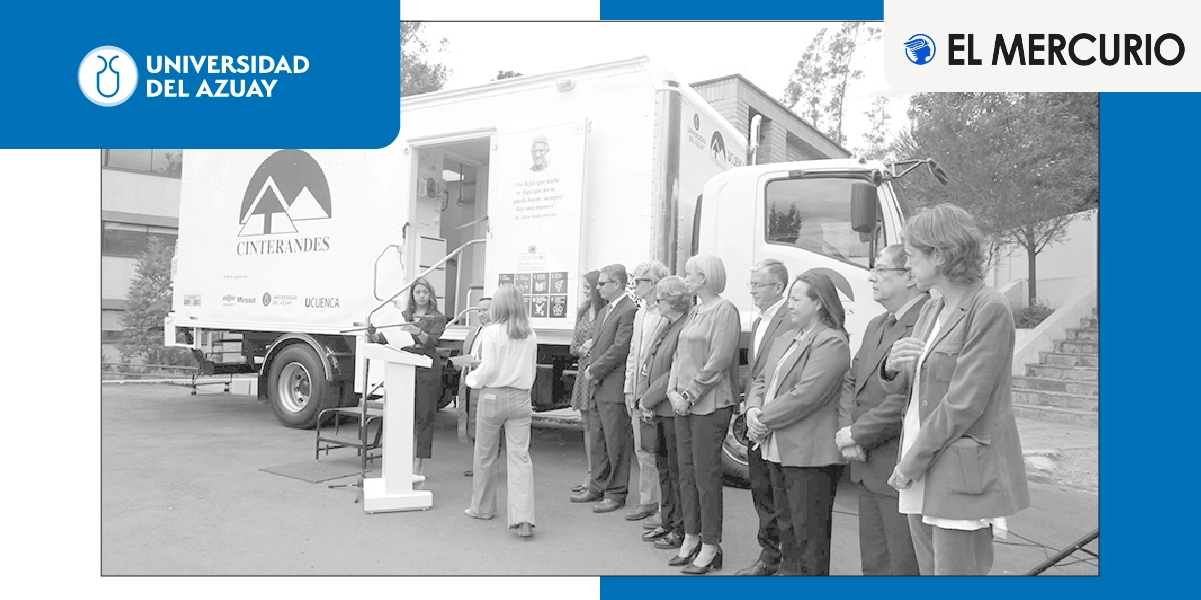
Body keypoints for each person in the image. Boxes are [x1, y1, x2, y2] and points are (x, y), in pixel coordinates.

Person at [881, 203, 1030, 576]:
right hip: (921, 458)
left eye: (913, 256)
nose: (908, 264)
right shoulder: (932, 309)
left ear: (942, 255)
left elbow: (965, 402)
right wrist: (891, 365)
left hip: (957, 467)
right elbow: (916, 388)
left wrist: (911, 462)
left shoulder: (989, 307)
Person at [745, 270, 850, 577]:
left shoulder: (831, 341)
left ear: (818, 303)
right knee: (788, 530)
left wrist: (762, 420)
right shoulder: (786, 337)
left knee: (810, 537)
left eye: (796, 298)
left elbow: (806, 395)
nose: (788, 304)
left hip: (809, 455)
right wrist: (752, 409)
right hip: (777, 448)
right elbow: (761, 379)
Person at [835, 245, 927, 576]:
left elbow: (908, 395)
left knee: (902, 564)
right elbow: (852, 380)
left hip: (894, 460)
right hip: (865, 461)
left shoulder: (926, 321)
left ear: (911, 277)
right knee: (874, 562)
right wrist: (848, 433)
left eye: (882, 270)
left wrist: (859, 434)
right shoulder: (877, 324)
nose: (872, 277)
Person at [666, 254, 741, 575]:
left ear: (705, 277)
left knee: (707, 477)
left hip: (709, 406)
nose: (685, 279)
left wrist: (688, 394)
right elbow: (679, 356)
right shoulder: (695, 310)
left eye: (690, 274)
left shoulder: (725, 311)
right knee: (686, 473)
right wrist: (672, 391)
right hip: (682, 402)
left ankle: (711, 544)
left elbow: (719, 360)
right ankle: (691, 536)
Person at [464, 284, 539, 539]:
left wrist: (471, 380)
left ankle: (482, 508)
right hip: (521, 397)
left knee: (485, 455)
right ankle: (524, 518)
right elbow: (532, 369)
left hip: (493, 396)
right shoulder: (529, 333)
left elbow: (489, 368)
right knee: (520, 458)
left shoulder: (492, 332)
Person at [733, 258, 792, 576]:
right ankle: (768, 555)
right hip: (756, 415)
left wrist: (765, 414)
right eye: (751, 284)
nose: (753, 291)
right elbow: (756, 374)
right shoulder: (759, 321)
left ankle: (784, 558)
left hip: (777, 419)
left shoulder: (790, 318)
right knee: (761, 490)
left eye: (759, 285)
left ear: (778, 287)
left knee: (780, 494)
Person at [570, 264, 638, 514]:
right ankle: (597, 486)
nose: (597, 288)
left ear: (617, 284)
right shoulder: (606, 310)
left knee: (615, 441)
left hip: (612, 385)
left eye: (602, 283)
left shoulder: (628, 310)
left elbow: (620, 348)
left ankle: (616, 492)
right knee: (598, 440)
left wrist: (595, 369)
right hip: (598, 386)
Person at [634, 276, 692, 550]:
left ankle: (679, 527)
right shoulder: (668, 325)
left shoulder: (684, 326)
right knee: (664, 469)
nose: (656, 303)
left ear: (674, 301)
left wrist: (647, 398)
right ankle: (667, 521)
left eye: (660, 299)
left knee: (675, 471)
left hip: (670, 408)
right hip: (659, 408)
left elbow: (673, 370)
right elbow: (650, 361)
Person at [621, 261, 670, 522]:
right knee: (641, 448)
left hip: (656, 391)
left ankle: (665, 507)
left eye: (639, 281)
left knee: (658, 449)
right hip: (637, 390)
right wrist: (629, 388)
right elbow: (633, 353)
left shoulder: (665, 313)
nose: (635, 286)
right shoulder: (641, 313)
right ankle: (647, 500)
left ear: (653, 284)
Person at [398, 277, 447, 480]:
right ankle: (401, 465)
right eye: (417, 292)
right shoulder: (404, 315)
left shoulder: (437, 317)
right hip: (404, 369)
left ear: (430, 295)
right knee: (404, 419)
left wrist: (417, 331)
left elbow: (432, 342)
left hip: (427, 371)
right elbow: (392, 338)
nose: (421, 296)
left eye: (425, 292)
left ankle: (418, 468)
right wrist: (376, 334)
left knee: (424, 420)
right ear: (412, 294)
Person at [569, 271, 606, 494]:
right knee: (587, 427)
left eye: (587, 287)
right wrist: (581, 348)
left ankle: (599, 475)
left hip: (599, 372)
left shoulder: (605, 312)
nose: (585, 291)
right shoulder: (583, 311)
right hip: (583, 372)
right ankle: (590, 473)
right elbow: (573, 346)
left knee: (599, 428)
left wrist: (593, 345)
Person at [458, 296, 493, 477]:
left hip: (487, 384)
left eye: (485, 310)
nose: (481, 314)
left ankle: (487, 465)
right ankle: (477, 463)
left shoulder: (496, 333)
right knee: (471, 422)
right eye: (479, 310)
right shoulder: (474, 332)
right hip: (471, 381)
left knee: (486, 426)